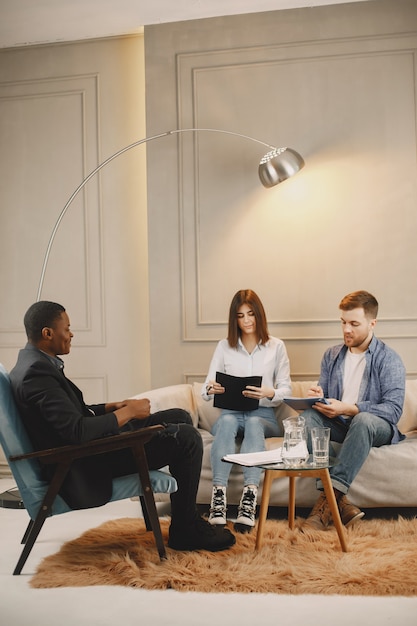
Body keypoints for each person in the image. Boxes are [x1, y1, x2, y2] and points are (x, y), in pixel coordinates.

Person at [9, 301, 235, 553]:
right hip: (85, 464)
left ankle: (186, 519)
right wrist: (127, 413)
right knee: (187, 437)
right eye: (67, 328)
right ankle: (185, 528)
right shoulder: (36, 373)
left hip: (89, 450)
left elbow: (68, 416)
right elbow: (76, 431)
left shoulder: (32, 364)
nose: (71, 334)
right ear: (47, 333)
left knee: (180, 415)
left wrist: (112, 407)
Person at [301, 290, 406, 531]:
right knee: (307, 417)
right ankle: (341, 503)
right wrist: (319, 399)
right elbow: (325, 395)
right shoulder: (332, 355)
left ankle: (325, 505)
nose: (347, 329)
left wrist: (350, 408)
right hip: (339, 424)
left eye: (354, 324)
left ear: (372, 323)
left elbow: (393, 410)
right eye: (343, 323)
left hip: (374, 426)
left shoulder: (388, 359)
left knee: (364, 420)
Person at [201, 289, 291, 533]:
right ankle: (217, 500)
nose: (247, 320)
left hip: (263, 416)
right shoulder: (224, 347)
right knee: (228, 421)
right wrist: (211, 388)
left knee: (253, 424)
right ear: (235, 319)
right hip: (229, 413)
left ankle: (249, 500)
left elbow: (286, 390)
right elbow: (206, 388)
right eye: (240, 316)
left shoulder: (276, 347)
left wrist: (267, 392)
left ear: (259, 315)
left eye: (251, 314)